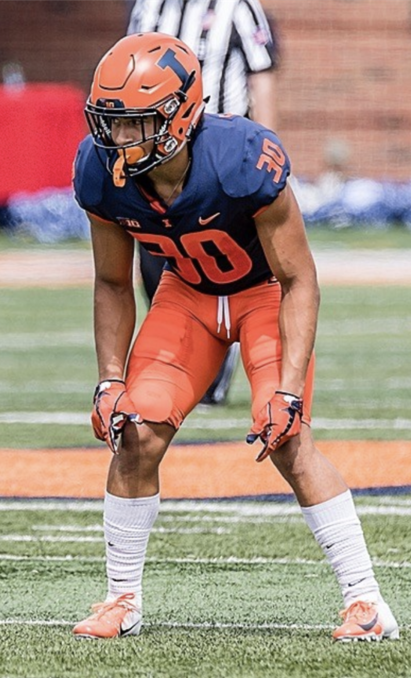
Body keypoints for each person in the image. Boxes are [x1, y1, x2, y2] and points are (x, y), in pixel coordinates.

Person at [71, 33, 398, 643]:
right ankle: (121, 598)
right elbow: (113, 282)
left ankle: (367, 602)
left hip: (264, 294)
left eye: (137, 123)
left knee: (286, 437)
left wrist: (291, 390)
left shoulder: (241, 156)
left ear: (180, 115)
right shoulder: (101, 173)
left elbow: (300, 278)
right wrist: (110, 379)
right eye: (112, 123)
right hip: (186, 297)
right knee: (134, 432)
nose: (119, 139)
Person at [127, 0, 280, 405]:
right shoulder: (150, 5)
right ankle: (180, 358)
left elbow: (260, 72)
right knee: (155, 260)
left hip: (222, 162)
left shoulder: (238, 6)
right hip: (156, 161)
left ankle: (222, 357)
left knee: (232, 263)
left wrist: (264, 150)